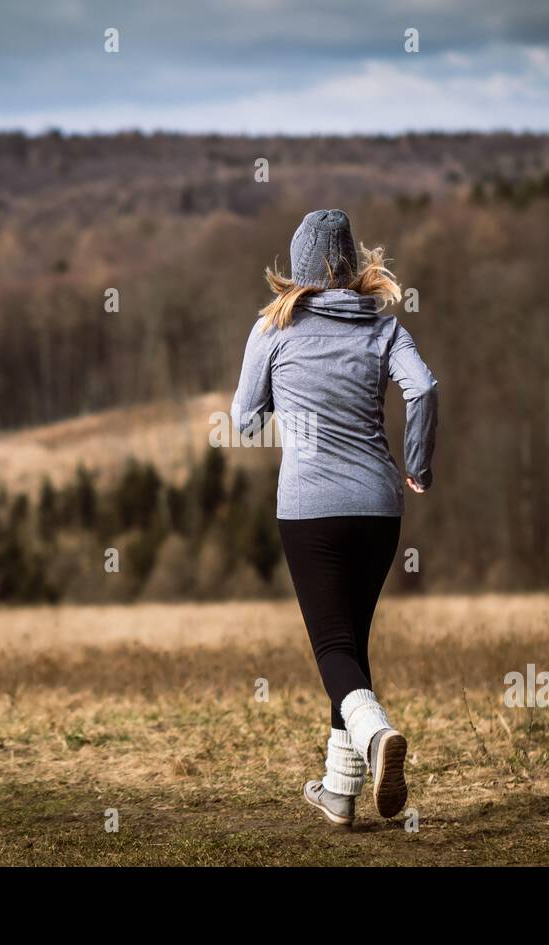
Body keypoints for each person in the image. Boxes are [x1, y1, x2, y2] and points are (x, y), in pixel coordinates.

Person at [231, 209, 439, 826]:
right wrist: (419, 465)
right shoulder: (384, 327)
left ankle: (376, 739)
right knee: (351, 641)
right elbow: (423, 389)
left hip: (309, 508)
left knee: (331, 646)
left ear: (295, 270)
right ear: (354, 266)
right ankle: (340, 793)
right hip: (379, 506)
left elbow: (243, 419)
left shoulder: (273, 327)